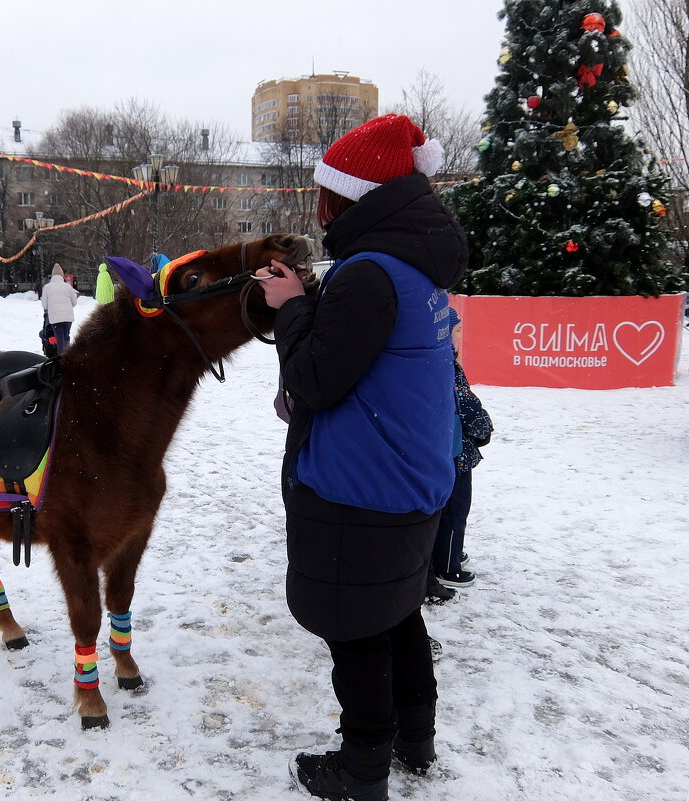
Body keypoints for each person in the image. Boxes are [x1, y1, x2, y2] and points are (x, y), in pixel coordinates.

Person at [255, 114, 468, 801]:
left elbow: (315, 379)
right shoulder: (407, 262)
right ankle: (416, 735)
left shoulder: (370, 272)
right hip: (412, 476)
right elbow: (368, 350)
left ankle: (362, 766)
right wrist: (315, 300)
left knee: (356, 630)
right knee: (397, 609)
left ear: (348, 197)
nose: (318, 204)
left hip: (362, 486)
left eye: (325, 190)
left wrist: (289, 307)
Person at [431, 306, 494, 590]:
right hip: (455, 454)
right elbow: (466, 404)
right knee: (455, 511)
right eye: (457, 332)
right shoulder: (447, 365)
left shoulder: (432, 362)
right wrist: (483, 428)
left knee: (442, 511)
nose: (460, 338)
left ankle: (447, 552)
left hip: (441, 451)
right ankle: (448, 565)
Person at [41, 263, 78, 353]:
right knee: (66, 338)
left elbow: (45, 305)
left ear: (53, 276)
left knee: (59, 340)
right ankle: (68, 356)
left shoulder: (47, 287)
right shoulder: (68, 286)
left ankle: (61, 359)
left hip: (56, 319)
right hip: (68, 318)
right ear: (62, 275)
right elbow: (74, 302)